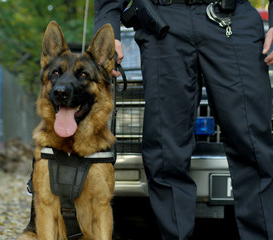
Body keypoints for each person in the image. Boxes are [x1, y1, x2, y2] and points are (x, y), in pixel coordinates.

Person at [94, 0, 273, 239]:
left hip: (232, 19)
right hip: (162, 20)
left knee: (252, 143)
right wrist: (109, 27)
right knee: (165, 151)